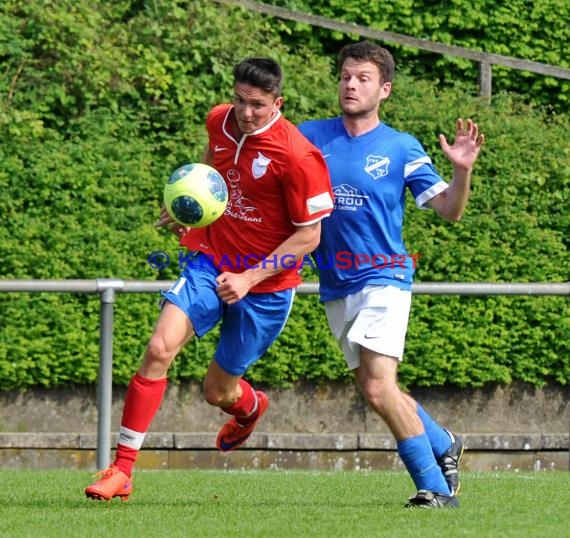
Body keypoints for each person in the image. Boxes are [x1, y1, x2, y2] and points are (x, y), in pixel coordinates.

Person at [85, 57, 334, 501]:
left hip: (267, 288)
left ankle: (250, 407)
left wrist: (250, 278)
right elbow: (211, 174)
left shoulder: (299, 157)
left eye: (257, 105)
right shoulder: (220, 120)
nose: (245, 112)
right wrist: (191, 206)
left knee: (216, 390)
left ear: (278, 102)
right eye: (240, 100)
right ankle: (121, 471)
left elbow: (309, 236)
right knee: (159, 347)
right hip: (210, 262)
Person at [298, 41, 484, 509]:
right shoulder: (307, 137)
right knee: (374, 386)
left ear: (385, 90)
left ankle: (436, 489)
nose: (350, 84)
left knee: (380, 385)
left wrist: (460, 173)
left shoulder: (401, 146)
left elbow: (449, 211)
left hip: (385, 278)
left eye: (362, 77)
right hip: (336, 283)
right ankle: (442, 442)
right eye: (345, 75)